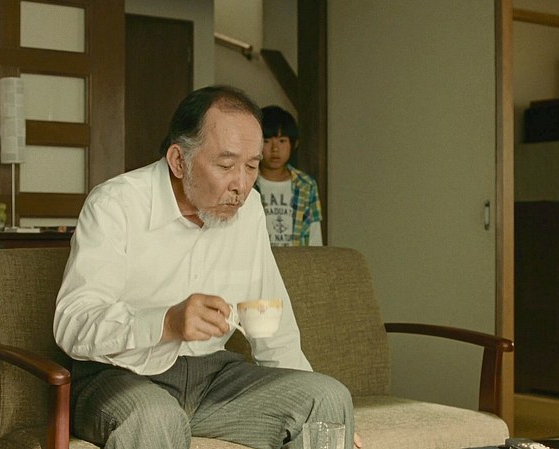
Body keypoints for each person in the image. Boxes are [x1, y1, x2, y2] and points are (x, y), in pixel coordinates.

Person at [54, 85, 358, 449]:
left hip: (213, 378)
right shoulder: (115, 204)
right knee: (156, 417)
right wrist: (167, 322)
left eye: (252, 166)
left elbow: (272, 326)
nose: (241, 186)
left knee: (327, 397)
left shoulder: (250, 210)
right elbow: (73, 322)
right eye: (226, 166)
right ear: (178, 160)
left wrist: (325, 419)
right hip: (120, 375)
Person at [255, 105, 323, 246]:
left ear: (294, 144)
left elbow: (314, 233)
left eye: (282, 141)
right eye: (266, 141)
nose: (275, 149)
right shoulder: (247, 183)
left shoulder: (306, 185)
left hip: (296, 258)